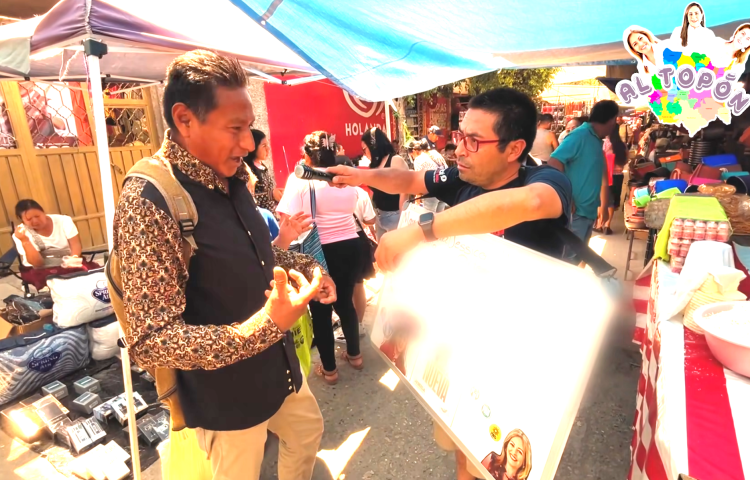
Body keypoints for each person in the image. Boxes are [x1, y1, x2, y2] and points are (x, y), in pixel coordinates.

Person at [111, 50, 337, 480]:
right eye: (235, 129)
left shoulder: (231, 176)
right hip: (227, 399)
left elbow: (255, 258)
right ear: (184, 119)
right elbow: (151, 339)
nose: (249, 143)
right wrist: (268, 326)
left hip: (280, 369)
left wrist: (308, 267)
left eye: (248, 129)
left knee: (307, 434)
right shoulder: (150, 200)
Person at [328, 87, 572, 479]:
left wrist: (422, 232)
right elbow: (409, 178)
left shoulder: (544, 179)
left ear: (514, 149)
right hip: (462, 349)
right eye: (461, 136)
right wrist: (363, 175)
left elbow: (530, 203)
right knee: (463, 449)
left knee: (496, 463)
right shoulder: (461, 175)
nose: (459, 149)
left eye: (474, 141)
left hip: (514, 358)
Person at [277, 130, 365, 385]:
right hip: (350, 244)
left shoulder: (301, 180)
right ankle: (355, 355)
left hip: (319, 252)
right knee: (345, 302)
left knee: (321, 310)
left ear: (306, 155)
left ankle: (330, 370)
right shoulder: (344, 180)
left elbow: (286, 218)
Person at [549, 100, 617, 266]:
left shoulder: (596, 140)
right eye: (615, 120)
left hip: (588, 212)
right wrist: (566, 195)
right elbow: (554, 161)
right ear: (610, 120)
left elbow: (601, 175)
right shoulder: (580, 135)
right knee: (568, 261)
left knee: (579, 259)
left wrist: (603, 205)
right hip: (575, 213)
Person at [361, 127, 409, 240]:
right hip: (379, 216)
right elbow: (374, 192)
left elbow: (404, 191)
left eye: (365, 149)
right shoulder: (374, 164)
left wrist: (403, 218)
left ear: (373, 146)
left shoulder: (395, 160)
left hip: (395, 215)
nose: (364, 153)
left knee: (397, 254)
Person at [13, 199, 84, 268]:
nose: (35, 221)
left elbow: (75, 244)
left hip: (68, 263)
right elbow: (37, 263)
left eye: (37, 216)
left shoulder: (63, 221)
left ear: (43, 212)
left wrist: (73, 259)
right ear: (22, 220)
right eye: (29, 219)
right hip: (39, 270)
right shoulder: (21, 233)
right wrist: (25, 241)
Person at [594, 123, 628, 235]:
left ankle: (599, 224)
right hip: (618, 175)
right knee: (612, 201)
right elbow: (626, 161)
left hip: (605, 175)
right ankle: (607, 225)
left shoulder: (604, 143)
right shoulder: (622, 145)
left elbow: (598, 158)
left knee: (603, 199)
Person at [243, 129, 280, 213]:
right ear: (253, 147)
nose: (268, 149)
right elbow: (248, 198)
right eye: (263, 146)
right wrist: (271, 195)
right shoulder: (247, 171)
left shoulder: (263, 167)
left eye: (267, 145)